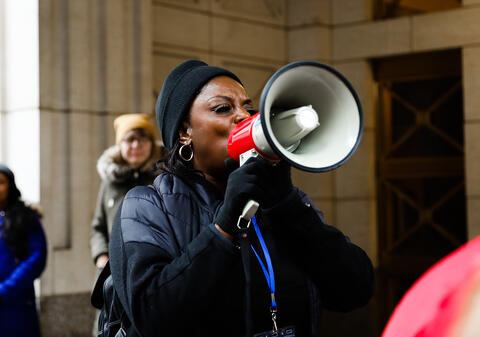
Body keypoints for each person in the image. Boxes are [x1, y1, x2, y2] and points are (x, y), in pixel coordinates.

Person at [108, 60, 375, 337]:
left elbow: (354, 291)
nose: (243, 116)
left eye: (247, 107)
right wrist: (223, 227)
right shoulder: (147, 206)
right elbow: (153, 318)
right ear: (184, 131)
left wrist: (289, 207)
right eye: (223, 108)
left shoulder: (282, 205)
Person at [90, 113, 165, 269]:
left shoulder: (164, 178)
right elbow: (98, 226)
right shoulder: (109, 181)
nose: (136, 145)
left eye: (143, 138)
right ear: (120, 144)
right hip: (113, 271)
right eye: (130, 139)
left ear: (151, 143)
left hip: (156, 268)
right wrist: (101, 256)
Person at [0, 164, 47, 337]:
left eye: (1, 182)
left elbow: (37, 257)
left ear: (10, 185)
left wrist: (6, 289)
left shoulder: (26, 216)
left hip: (17, 302)